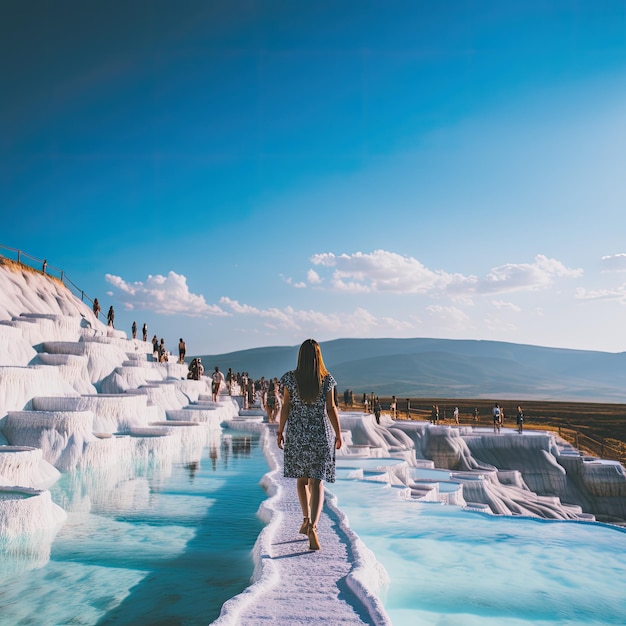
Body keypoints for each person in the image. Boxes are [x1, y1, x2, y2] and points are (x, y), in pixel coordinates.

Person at [277, 339, 342, 551]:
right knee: (317, 482)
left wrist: (280, 430)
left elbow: (286, 406)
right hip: (319, 433)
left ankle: (305, 520)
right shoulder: (327, 379)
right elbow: (331, 408)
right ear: (318, 357)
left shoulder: (289, 378)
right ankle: (313, 526)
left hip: (297, 432)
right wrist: (339, 434)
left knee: (302, 480)